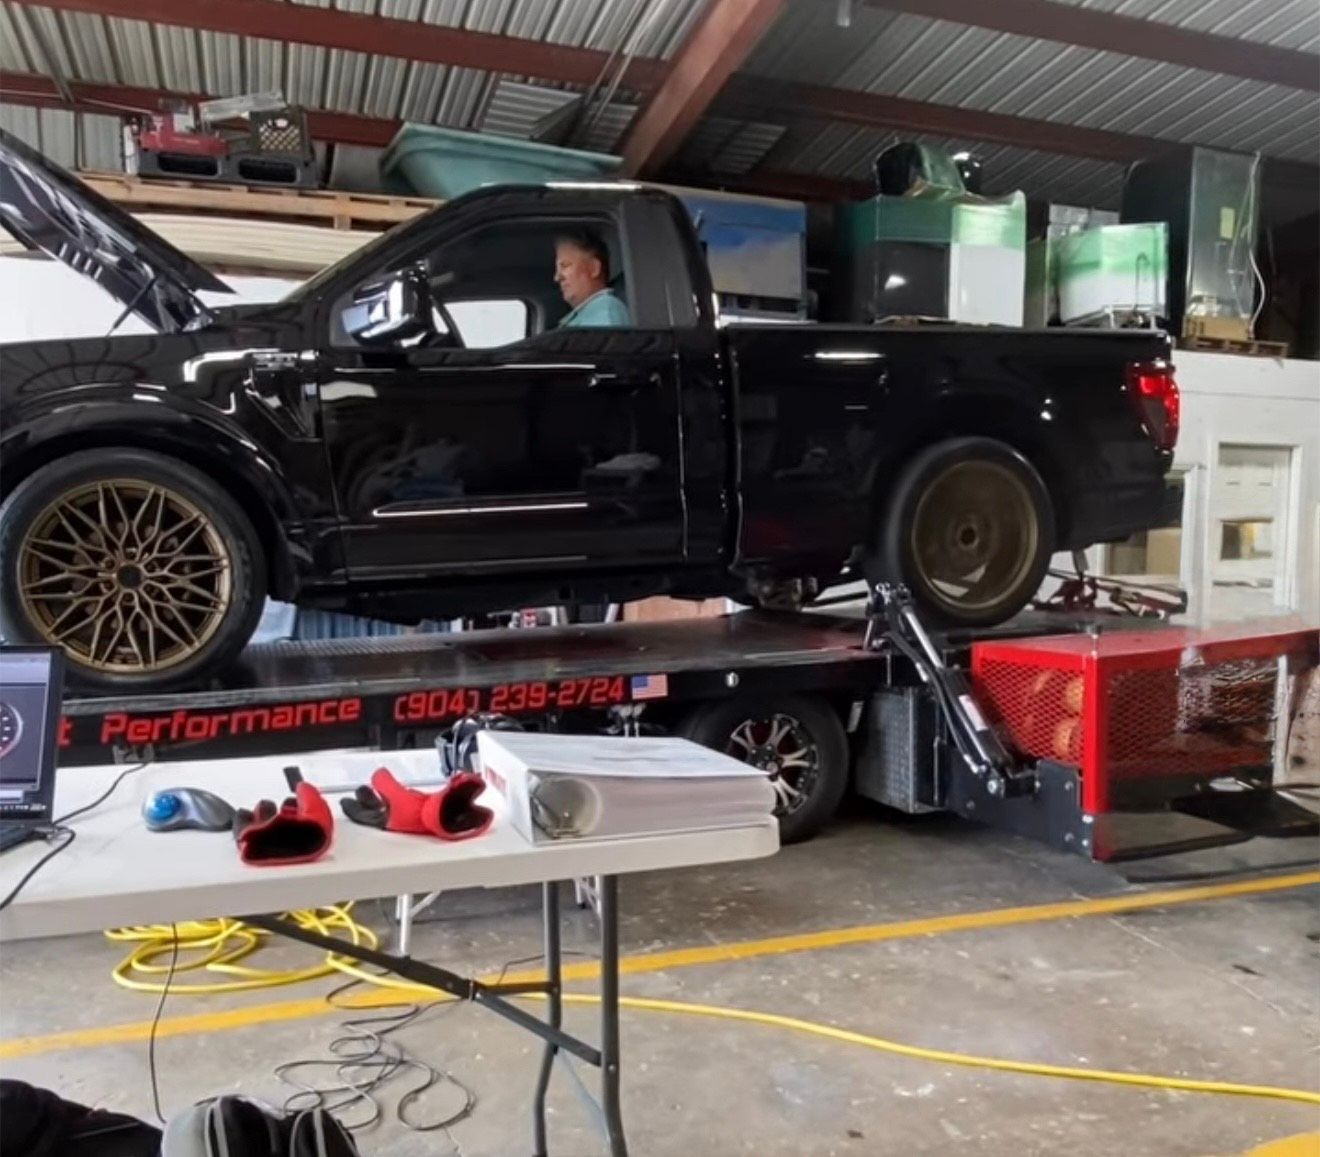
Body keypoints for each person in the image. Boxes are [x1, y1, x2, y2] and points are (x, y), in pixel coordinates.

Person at [554, 231, 631, 328]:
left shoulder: (606, 310)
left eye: (565, 265)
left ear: (593, 268)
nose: (557, 277)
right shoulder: (591, 313)